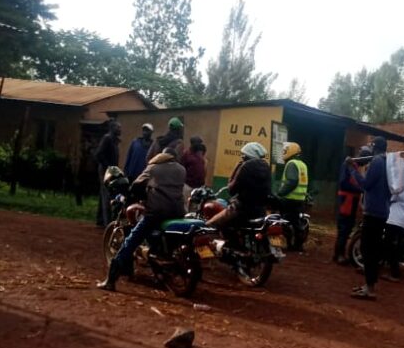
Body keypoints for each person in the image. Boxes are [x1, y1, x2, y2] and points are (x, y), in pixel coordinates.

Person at [97, 147, 186, 292]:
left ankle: (110, 280)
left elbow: (137, 185)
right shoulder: (182, 170)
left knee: (130, 242)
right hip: (178, 212)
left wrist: (132, 195)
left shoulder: (154, 168)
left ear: (161, 155)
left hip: (157, 212)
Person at [349, 136, 390, 300]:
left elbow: (365, 184)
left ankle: (370, 288)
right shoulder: (386, 161)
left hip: (373, 212)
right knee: (372, 249)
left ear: (375, 147)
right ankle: (369, 285)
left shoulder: (377, 162)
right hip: (381, 210)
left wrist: (352, 170)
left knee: (368, 250)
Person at [206, 142, 272, 237]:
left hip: (241, 209)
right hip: (260, 210)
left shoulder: (246, 167)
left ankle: (229, 245)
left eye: (243, 156)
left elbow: (231, 190)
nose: (242, 158)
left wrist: (237, 167)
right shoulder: (266, 167)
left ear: (248, 156)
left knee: (210, 224)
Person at [333, 145, 368, 264]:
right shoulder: (348, 165)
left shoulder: (355, 167)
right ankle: (339, 255)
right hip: (345, 202)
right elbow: (343, 183)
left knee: (347, 229)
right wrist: (359, 189)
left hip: (351, 203)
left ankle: (338, 254)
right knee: (344, 229)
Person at [276, 141, 310, 252]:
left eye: (285, 151)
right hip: (299, 199)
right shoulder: (302, 164)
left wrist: (280, 192)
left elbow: (292, 181)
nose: (284, 153)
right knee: (296, 223)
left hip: (289, 198)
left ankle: (288, 245)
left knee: (284, 222)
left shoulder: (291, 164)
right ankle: (298, 245)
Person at [95, 121, 121, 227]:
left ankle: (100, 220)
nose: (120, 130)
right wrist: (108, 167)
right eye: (118, 127)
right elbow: (98, 154)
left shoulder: (114, 140)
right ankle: (107, 224)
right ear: (112, 128)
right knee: (107, 195)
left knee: (103, 195)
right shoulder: (107, 138)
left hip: (111, 170)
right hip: (106, 170)